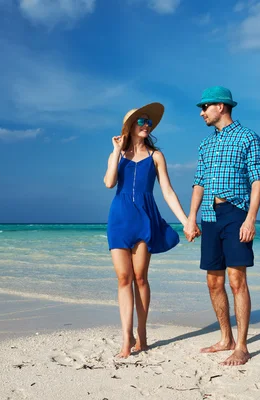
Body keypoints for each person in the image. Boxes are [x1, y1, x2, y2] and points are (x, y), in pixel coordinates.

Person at [184, 86, 260, 366]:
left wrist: (250, 218)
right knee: (213, 281)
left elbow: (257, 180)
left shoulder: (248, 138)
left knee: (236, 280)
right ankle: (225, 339)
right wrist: (191, 218)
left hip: (236, 213)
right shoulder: (205, 144)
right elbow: (199, 183)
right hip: (209, 215)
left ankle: (241, 346)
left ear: (221, 106)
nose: (201, 112)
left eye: (205, 107)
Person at [104, 102, 191, 358]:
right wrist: (116, 151)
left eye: (148, 122)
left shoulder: (156, 156)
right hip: (119, 219)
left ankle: (141, 334)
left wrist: (185, 220)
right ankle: (125, 339)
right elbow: (109, 183)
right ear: (129, 127)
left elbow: (167, 191)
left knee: (140, 278)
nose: (145, 125)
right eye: (140, 121)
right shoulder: (116, 155)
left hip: (145, 218)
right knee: (123, 279)